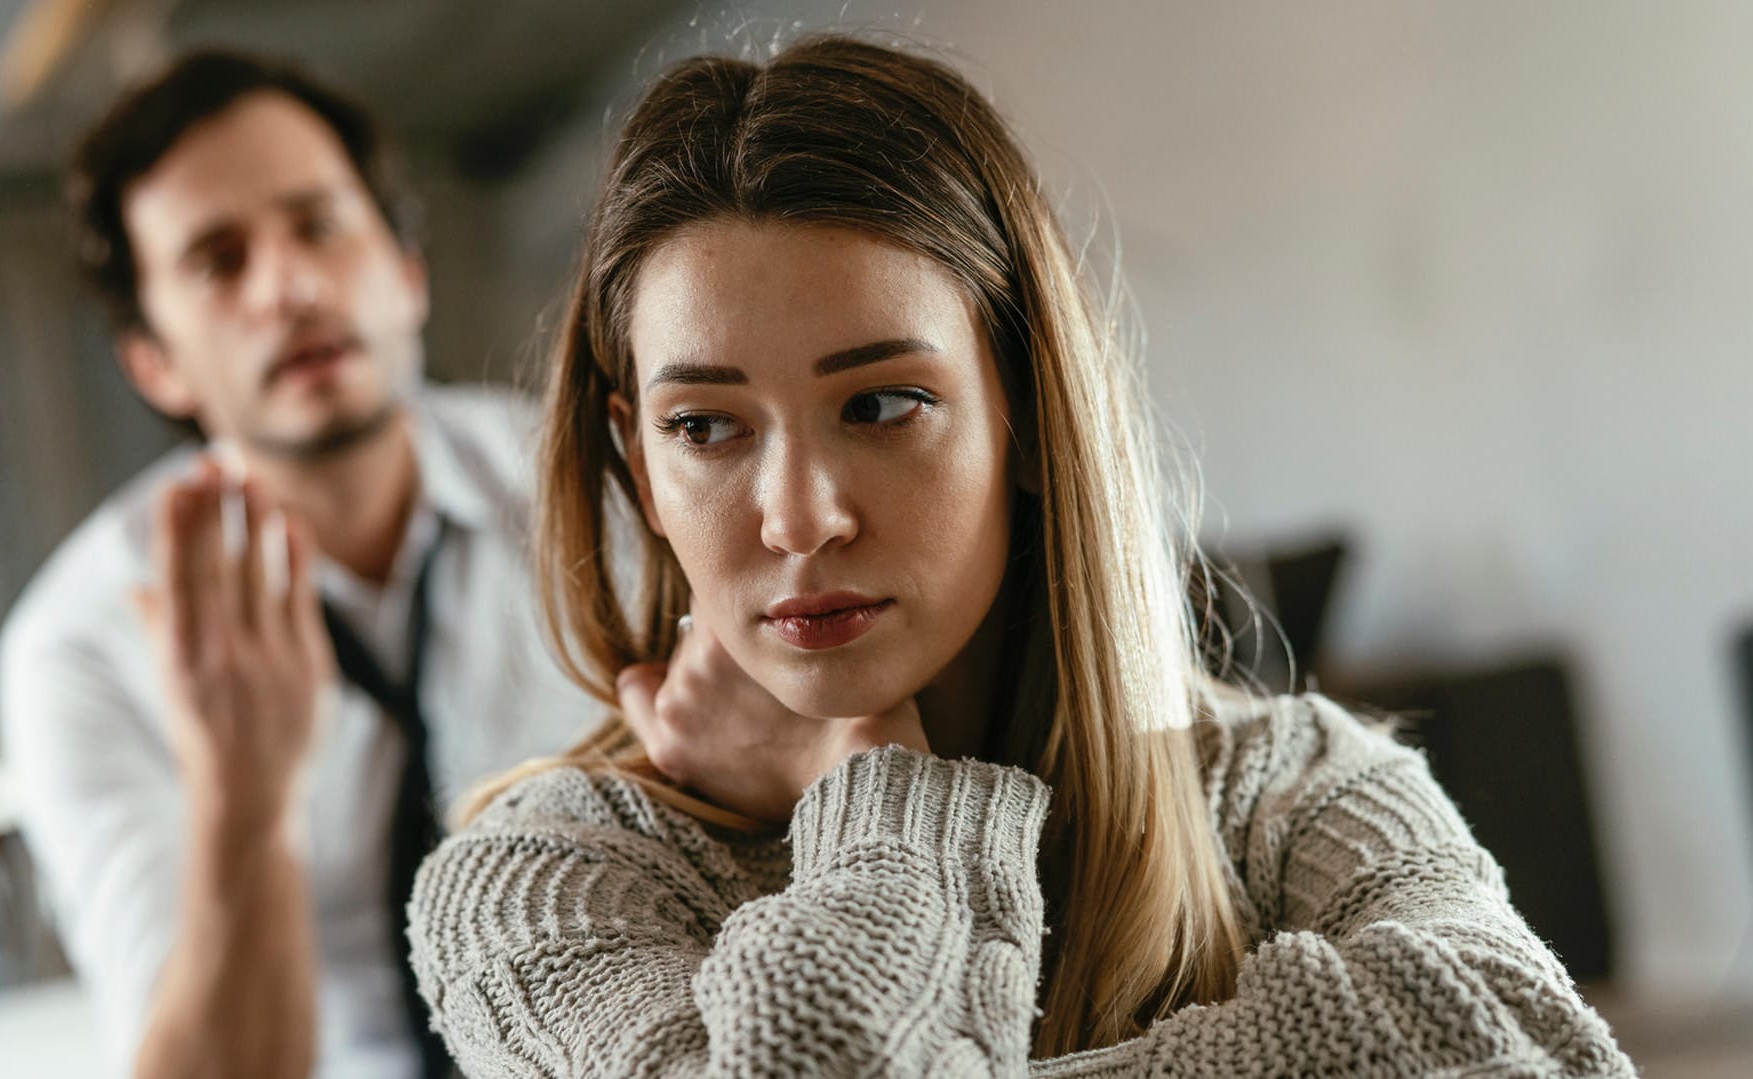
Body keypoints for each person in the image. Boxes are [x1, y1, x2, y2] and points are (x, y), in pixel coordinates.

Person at [406, 35, 1637, 1077]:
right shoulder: (539, 880)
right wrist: (885, 799)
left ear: (1031, 416)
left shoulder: (1289, 785)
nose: (797, 516)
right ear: (636, 463)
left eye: (883, 404)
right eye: (706, 425)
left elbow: (1526, 1043)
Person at [0, 51, 594, 1078]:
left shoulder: (599, 494)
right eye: (218, 259)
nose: (291, 286)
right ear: (155, 360)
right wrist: (244, 796)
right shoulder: (76, 650)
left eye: (320, 224)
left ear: (407, 272)